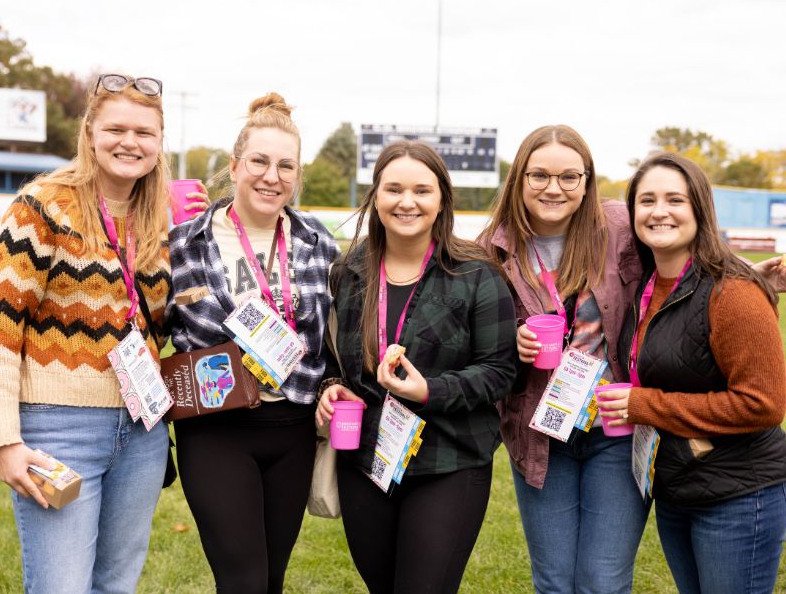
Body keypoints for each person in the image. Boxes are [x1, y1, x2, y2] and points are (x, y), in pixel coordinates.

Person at [0, 73, 195, 593]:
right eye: (117, 128)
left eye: (145, 132)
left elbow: (161, 325)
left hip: (141, 432)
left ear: (159, 141)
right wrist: (3, 439)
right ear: (90, 132)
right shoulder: (43, 205)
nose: (130, 142)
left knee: (116, 586)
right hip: (58, 430)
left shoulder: (161, 221)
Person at [316, 140, 517, 593]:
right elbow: (332, 353)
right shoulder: (348, 270)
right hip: (367, 460)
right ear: (376, 196)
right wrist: (331, 384)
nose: (407, 202)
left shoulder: (477, 273)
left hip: (449, 461)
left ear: (442, 198)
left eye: (422, 190)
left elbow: (501, 371)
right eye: (394, 189)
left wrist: (430, 391)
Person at [165, 92, 339, 594]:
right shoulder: (184, 241)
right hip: (216, 426)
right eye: (259, 161)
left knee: (272, 579)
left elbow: (333, 336)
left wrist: (332, 383)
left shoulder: (319, 243)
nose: (272, 176)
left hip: (292, 429)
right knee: (243, 580)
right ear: (235, 166)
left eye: (286, 165)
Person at [599, 152, 786, 594]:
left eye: (674, 200)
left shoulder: (733, 291)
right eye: (646, 201)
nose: (659, 211)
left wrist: (644, 405)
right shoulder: (647, 285)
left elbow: (764, 404)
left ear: (699, 208)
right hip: (678, 489)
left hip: (738, 495)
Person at [478, 125, 648, 594]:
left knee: (604, 581)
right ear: (519, 178)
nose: (554, 188)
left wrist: (745, 276)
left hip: (613, 429)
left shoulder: (619, 228)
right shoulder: (490, 248)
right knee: (554, 582)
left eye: (570, 177)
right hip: (539, 432)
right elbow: (472, 337)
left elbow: (678, 272)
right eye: (540, 176)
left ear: (587, 181)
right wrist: (509, 340)